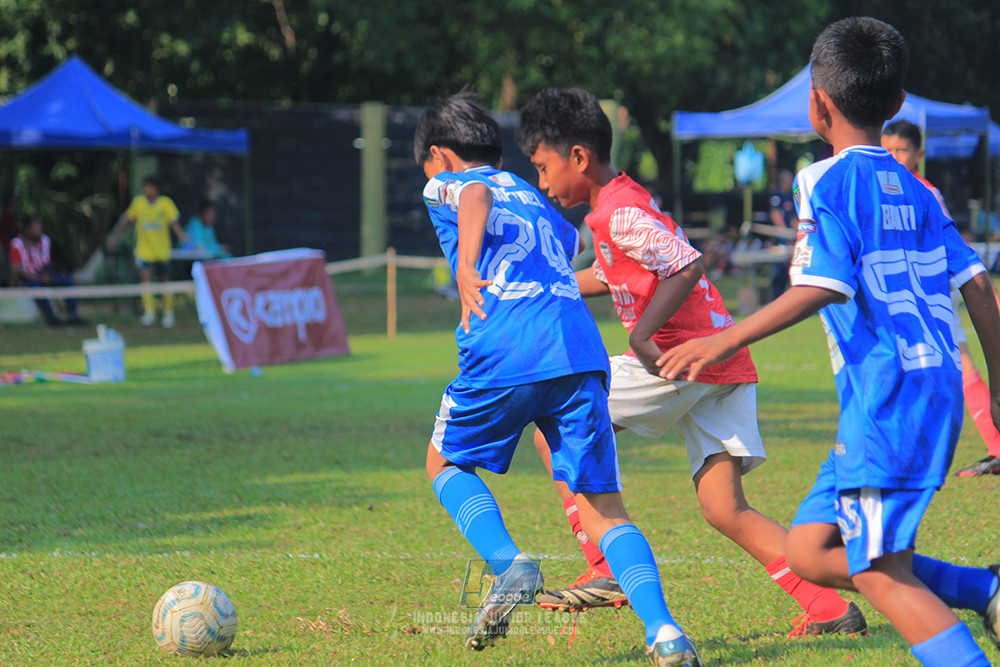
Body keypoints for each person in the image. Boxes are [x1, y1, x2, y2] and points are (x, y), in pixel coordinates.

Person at [657, 17, 1000, 667]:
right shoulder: (922, 190)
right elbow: (979, 287)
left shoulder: (823, 180)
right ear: (898, 103)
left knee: (878, 571)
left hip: (887, 394)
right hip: (929, 388)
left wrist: (721, 340)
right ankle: (985, 586)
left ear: (816, 102)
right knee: (809, 551)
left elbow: (823, 284)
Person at [517, 87, 866, 638]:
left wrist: (646, 334)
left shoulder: (617, 212)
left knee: (554, 423)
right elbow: (613, 277)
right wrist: (542, 286)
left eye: (542, 167)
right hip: (723, 359)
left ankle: (607, 567)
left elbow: (685, 263)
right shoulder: (620, 202)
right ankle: (831, 607)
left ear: (578, 157)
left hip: (683, 358)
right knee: (725, 509)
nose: (542, 183)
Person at [415, 90, 702, 666]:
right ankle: (665, 632)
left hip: (506, 346)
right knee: (605, 509)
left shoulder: (454, 180)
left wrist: (468, 264)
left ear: (440, 155)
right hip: (577, 351)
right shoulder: (530, 193)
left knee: (442, 462)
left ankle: (509, 564)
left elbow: (471, 193)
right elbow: (571, 245)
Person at [882, 119, 1000, 477]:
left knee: (954, 371)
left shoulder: (925, 192)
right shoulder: (880, 189)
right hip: (894, 296)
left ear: (918, 155)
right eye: (887, 149)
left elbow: (950, 250)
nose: (893, 157)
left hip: (928, 296)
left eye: (901, 150)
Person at [106, 176, 188, 328]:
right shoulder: (138, 203)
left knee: (165, 280)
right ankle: (149, 312)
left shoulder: (166, 203)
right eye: (144, 187)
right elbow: (126, 222)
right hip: (144, 251)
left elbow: (174, 224)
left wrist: (182, 236)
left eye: (149, 187)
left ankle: (168, 313)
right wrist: (114, 238)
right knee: (145, 278)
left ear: (156, 189)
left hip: (162, 251)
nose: (146, 190)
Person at [8, 216, 86, 326]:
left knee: (68, 281)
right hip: (27, 278)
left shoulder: (45, 240)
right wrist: (39, 277)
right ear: (27, 229)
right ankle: (52, 318)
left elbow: (47, 263)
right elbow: (17, 271)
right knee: (35, 286)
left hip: (44, 275)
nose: (39, 229)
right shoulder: (17, 244)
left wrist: (47, 275)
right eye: (36, 227)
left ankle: (73, 316)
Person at [768, 169, 797, 299]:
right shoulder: (777, 195)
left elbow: (792, 217)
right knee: (779, 268)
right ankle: (776, 296)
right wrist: (783, 230)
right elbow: (775, 213)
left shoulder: (790, 196)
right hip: (781, 238)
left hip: (790, 236)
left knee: (788, 269)